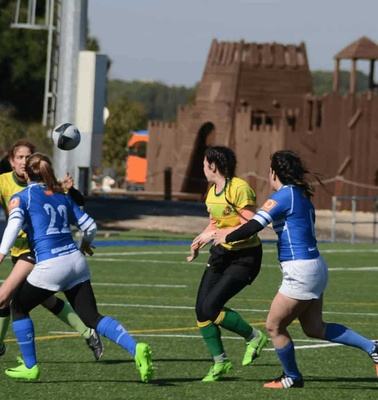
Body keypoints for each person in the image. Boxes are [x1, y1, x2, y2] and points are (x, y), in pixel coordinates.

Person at [213, 149, 378, 389]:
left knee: (274, 326)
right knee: (314, 327)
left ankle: (291, 376)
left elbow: (253, 227)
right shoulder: (300, 195)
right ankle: (372, 347)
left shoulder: (283, 196)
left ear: (274, 173)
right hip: (315, 267)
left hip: (301, 271)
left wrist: (224, 236)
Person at [0, 152, 153, 382]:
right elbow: (90, 225)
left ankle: (31, 367)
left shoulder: (23, 197)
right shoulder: (62, 196)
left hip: (51, 264)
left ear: (26, 174)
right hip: (75, 262)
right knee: (92, 317)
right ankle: (136, 347)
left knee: (19, 307)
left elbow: (12, 228)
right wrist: (85, 243)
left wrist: (1, 253)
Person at [0, 139, 103, 361]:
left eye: (27, 157)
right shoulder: (3, 183)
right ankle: (88, 332)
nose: (23, 161)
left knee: (3, 297)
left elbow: (77, 200)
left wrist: (70, 188)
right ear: (11, 161)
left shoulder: (43, 181)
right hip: (18, 252)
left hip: (38, 251)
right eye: (19, 157)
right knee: (45, 299)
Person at [186, 146, 267, 382]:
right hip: (221, 254)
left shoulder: (240, 188)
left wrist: (216, 234)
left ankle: (254, 337)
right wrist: (201, 238)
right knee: (202, 310)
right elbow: (215, 225)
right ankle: (220, 363)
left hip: (245, 257)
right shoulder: (212, 193)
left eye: (204, 164)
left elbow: (251, 225)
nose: (202, 168)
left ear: (213, 165)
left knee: (211, 307)